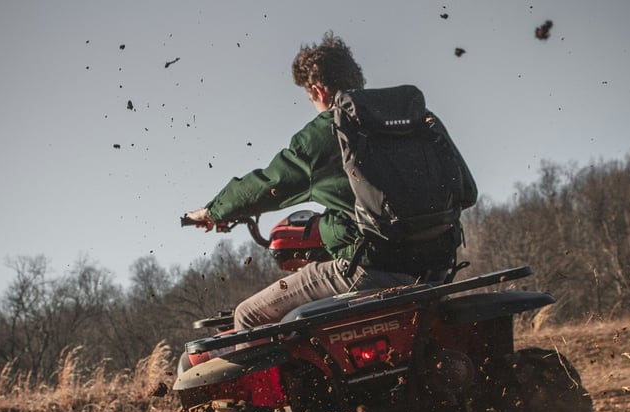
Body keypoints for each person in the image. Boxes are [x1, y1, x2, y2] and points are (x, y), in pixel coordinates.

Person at [183, 32, 476, 330]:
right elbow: (467, 191)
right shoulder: (414, 117)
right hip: (436, 265)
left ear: (318, 91)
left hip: (370, 268)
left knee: (247, 315)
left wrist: (214, 210)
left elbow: (267, 185)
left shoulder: (329, 130)